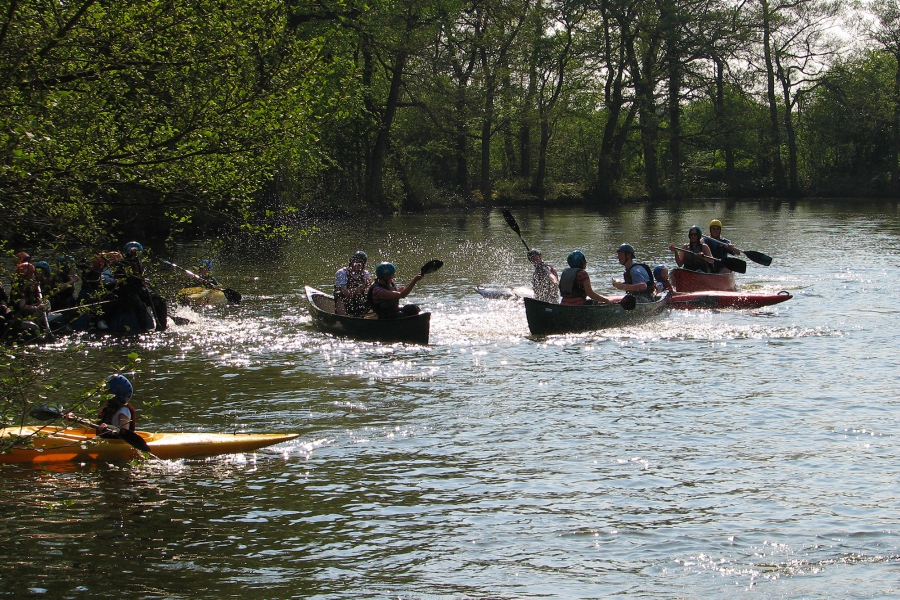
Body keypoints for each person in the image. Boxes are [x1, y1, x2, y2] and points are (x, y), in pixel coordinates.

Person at [66, 374, 136, 437]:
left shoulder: (123, 411)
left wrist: (108, 427)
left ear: (115, 395)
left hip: (118, 445)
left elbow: (124, 431)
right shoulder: (109, 409)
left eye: (105, 393)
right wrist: (76, 419)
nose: (102, 395)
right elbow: (96, 424)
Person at [334, 251, 373, 316]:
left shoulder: (365, 274)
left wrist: (370, 286)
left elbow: (368, 290)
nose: (356, 265)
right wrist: (361, 288)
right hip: (346, 303)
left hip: (359, 302)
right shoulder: (342, 273)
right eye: (355, 262)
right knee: (339, 294)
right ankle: (342, 318)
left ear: (363, 265)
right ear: (351, 262)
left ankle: (369, 315)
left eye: (359, 264)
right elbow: (345, 293)